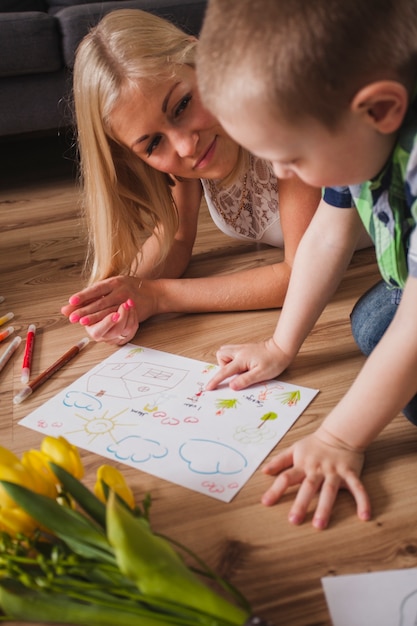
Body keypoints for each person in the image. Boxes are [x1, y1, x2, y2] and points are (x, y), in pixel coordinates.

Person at [197, 0, 417, 529]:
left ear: (381, 109)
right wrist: (279, 345)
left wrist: (339, 436)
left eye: (291, 156)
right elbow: (327, 234)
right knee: (370, 325)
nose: (279, 171)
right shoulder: (355, 124)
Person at [61, 8, 321, 346]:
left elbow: (300, 277)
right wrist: (121, 299)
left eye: (182, 105)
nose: (186, 146)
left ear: (201, 59)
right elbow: (178, 240)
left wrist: (158, 297)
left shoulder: (279, 113)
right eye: (154, 143)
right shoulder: (185, 159)